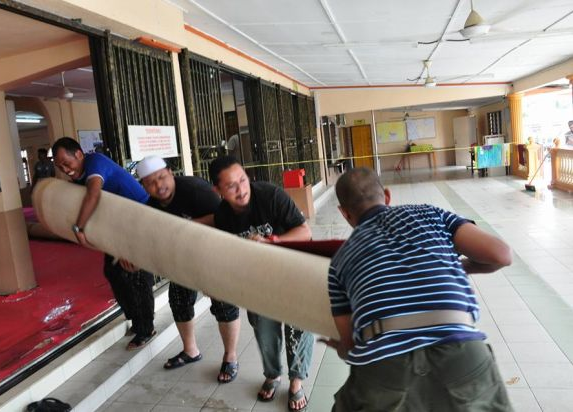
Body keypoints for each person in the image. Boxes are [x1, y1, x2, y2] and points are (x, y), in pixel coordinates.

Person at [321, 167, 513, 412]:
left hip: (383, 368)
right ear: (387, 196)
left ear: (344, 213)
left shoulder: (340, 260)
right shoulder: (431, 214)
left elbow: (349, 345)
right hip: (462, 353)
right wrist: (458, 265)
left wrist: (340, 348)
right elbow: (501, 255)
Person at [209, 155, 313, 412]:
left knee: (298, 327)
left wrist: (271, 242)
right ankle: (273, 375)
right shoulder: (223, 216)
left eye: (243, 180)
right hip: (258, 279)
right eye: (231, 185)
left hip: (294, 268)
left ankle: (296, 381)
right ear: (218, 190)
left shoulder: (270, 196)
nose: (241, 189)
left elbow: (305, 232)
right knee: (264, 329)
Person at [135, 155, 241, 383]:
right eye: (151, 182)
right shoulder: (151, 207)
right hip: (184, 259)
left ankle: (230, 357)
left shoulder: (195, 190)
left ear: (170, 173)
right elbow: (146, 234)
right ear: (143, 186)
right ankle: (190, 350)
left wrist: (184, 227)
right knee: (178, 301)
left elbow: (224, 218)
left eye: (162, 177)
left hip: (215, 252)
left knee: (224, 305)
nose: (159, 185)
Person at [52, 137, 156, 351]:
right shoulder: (78, 176)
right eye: (59, 166)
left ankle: (146, 328)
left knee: (135, 274)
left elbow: (94, 194)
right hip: (118, 223)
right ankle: (136, 319)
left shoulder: (95, 163)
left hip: (139, 217)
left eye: (66, 163)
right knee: (113, 271)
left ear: (79, 154)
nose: (65, 169)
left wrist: (79, 228)